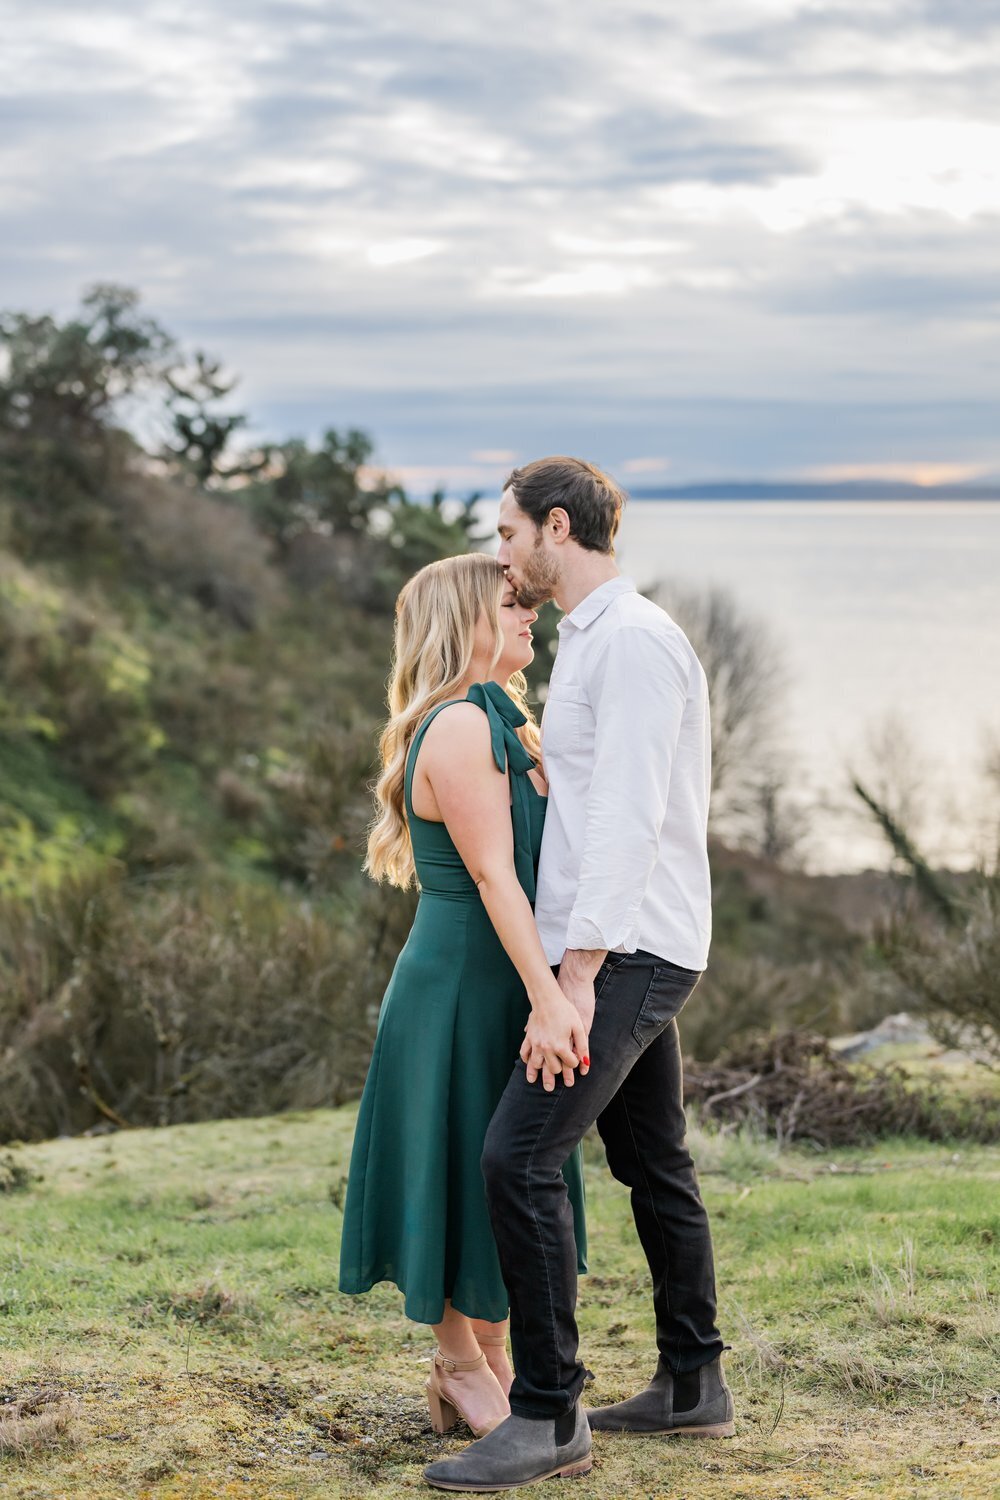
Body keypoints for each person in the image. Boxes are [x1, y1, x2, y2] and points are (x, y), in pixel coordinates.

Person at [424, 458, 732, 1493]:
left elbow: (633, 816)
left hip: (628, 951)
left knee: (516, 1159)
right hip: (623, 942)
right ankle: (692, 1383)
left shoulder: (634, 641)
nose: (502, 554)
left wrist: (578, 977)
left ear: (557, 526)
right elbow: (599, 789)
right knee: (655, 1164)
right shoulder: (592, 641)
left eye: (508, 534)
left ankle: (550, 1412)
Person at [338, 552, 588, 1443]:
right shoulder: (454, 729)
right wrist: (549, 998)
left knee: (503, 1169)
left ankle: (493, 1356)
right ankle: (460, 1364)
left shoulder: (503, 721)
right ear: (466, 624)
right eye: (511, 603)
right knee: (453, 1163)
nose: (530, 613)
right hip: (459, 985)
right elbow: (492, 876)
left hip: (497, 976)